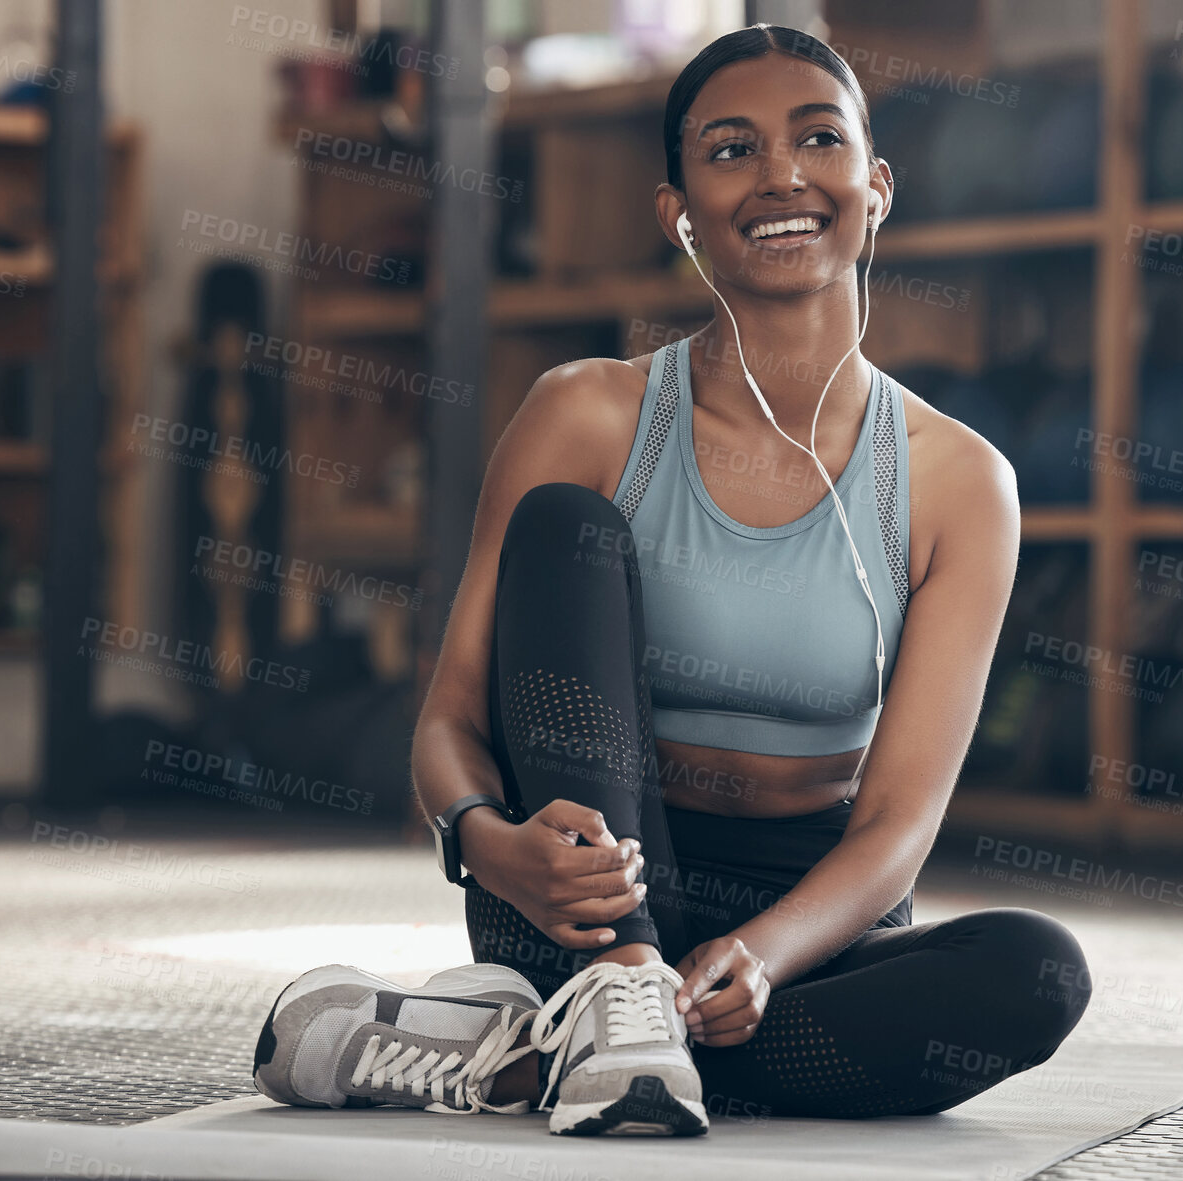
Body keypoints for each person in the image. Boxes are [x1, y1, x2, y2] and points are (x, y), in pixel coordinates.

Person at [251, 23, 1091, 1136]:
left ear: (875, 187)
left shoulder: (959, 482)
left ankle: (529, 1055)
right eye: (732, 150)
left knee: (1036, 972)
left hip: (800, 923)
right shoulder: (584, 412)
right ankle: (614, 1001)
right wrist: (491, 845)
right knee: (566, 527)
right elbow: (449, 720)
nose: (782, 176)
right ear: (678, 211)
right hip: (578, 898)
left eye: (818, 140)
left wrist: (762, 949)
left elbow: (895, 822)